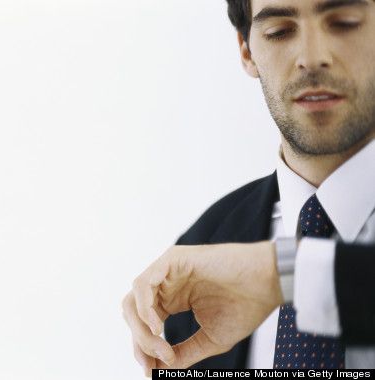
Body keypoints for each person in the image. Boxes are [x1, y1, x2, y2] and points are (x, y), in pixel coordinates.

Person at [121, 0, 375, 375]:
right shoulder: (202, 249)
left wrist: (282, 274)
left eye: (343, 23)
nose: (312, 56)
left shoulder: (230, 266)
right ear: (246, 51)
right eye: (279, 32)